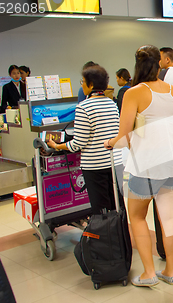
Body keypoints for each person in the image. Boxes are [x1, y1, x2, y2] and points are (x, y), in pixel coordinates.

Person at [104, 45, 173, 288]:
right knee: (168, 217)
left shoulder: (133, 92)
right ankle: (171, 271)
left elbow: (123, 138)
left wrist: (109, 142)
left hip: (146, 165)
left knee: (137, 216)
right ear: (160, 63)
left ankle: (149, 273)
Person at [47, 65, 124, 216]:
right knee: (116, 206)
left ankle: (104, 238)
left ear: (90, 85)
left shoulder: (84, 107)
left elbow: (78, 143)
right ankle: (118, 237)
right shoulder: (112, 104)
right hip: (114, 163)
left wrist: (57, 146)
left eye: (82, 82)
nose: (81, 85)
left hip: (95, 166)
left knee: (100, 210)